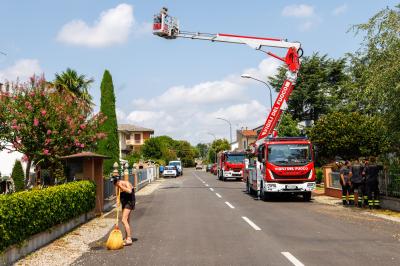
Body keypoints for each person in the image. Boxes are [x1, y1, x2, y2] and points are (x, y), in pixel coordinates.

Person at [111, 175, 136, 245]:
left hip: (130, 202)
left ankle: (129, 239)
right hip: (124, 203)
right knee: (127, 220)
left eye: (114, 182)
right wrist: (117, 201)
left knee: (123, 220)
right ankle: (126, 237)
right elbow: (117, 195)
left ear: (117, 181)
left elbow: (130, 191)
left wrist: (121, 186)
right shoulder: (117, 186)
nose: (114, 184)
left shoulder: (126, 183)